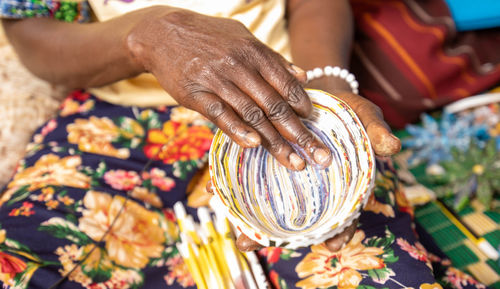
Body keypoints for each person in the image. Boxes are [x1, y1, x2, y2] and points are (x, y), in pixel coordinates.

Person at [0, 0, 494, 288]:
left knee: (373, 271)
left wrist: (329, 91)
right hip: (112, 125)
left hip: (283, 100)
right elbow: (37, 38)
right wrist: (144, 36)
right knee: (23, 265)